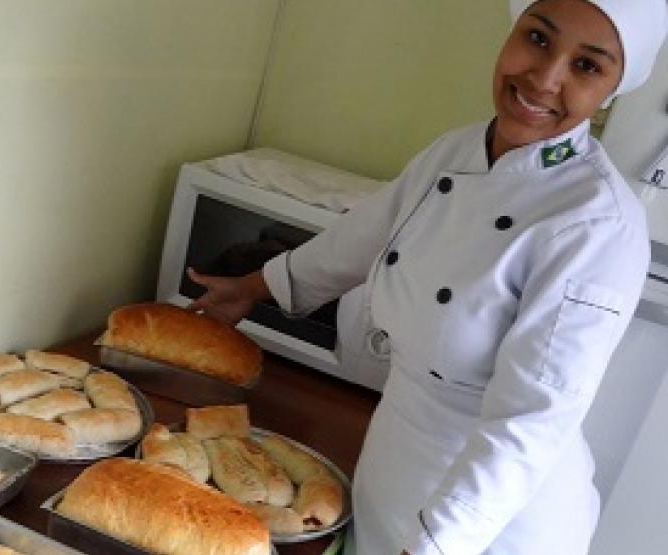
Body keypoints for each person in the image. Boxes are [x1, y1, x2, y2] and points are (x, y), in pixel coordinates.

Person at [187, 0, 668, 553]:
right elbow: (364, 235)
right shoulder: (458, 149)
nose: (545, 77)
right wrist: (253, 286)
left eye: (587, 66)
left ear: (613, 91)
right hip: (392, 460)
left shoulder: (597, 224)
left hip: (495, 520)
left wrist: (438, 544)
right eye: (537, 38)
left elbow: (530, 423)